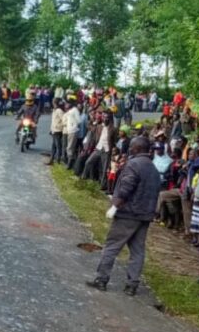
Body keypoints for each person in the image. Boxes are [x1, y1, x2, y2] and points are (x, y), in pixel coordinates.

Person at [87, 136, 161, 296]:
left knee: (112, 246)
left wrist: (115, 206)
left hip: (128, 213)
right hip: (145, 215)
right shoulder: (153, 168)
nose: (129, 149)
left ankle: (101, 279)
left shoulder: (133, 165)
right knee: (137, 250)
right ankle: (132, 285)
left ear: (137, 148)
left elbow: (126, 188)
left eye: (132, 147)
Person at [46, 99, 64, 166]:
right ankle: (52, 159)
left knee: (58, 146)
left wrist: (59, 126)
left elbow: (64, 120)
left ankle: (58, 160)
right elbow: (53, 121)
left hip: (58, 130)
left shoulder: (59, 111)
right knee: (54, 146)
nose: (53, 104)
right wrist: (51, 129)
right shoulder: (55, 110)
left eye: (53, 103)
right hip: (54, 130)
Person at [63, 99, 81, 166]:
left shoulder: (75, 110)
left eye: (67, 104)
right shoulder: (70, 111)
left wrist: (73, 124)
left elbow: (79, 121)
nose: (66, 105)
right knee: (69, 147)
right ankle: (70, 161)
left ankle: (70, 162)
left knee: (70, 147)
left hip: (73, 130)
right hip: (69, 130)